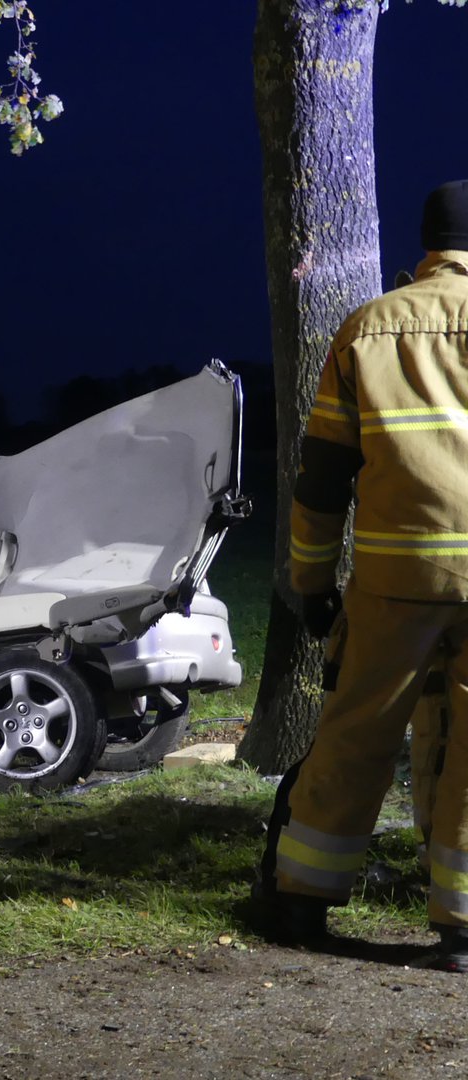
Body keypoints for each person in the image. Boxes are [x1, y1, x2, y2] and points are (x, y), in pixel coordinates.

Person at [257, 180, 468, 969]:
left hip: (395, 576)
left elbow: (321, 482)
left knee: (356, 732)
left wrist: (313, 587)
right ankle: (462, 930)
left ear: (428, 243)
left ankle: (302, 901)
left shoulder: (368, 328)